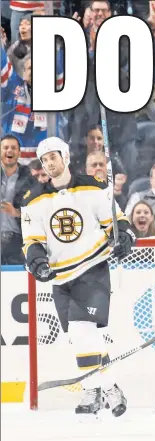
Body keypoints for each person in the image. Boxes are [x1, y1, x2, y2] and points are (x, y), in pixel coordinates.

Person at [20, 137, 137, 416]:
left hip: (92, 268)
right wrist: (38, 262)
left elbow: (117, 223)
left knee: (82, 330)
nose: (49, 163)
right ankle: (108, 387)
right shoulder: (33, 200)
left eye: (53, 157)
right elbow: (31, 241)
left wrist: (123, 238)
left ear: (66, 156)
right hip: (60, 277)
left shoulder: (94, 187)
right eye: (44, 159)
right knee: (82, 337)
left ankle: (89, 390)